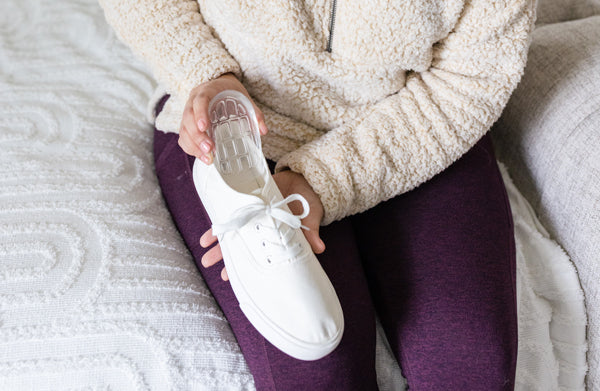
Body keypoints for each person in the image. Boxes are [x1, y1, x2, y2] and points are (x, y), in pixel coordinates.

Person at [99, 0, 536, 389]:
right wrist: (206, 74)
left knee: (470, 370)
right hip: (239, 127)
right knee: (320, 373)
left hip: (415, 127)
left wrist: (325, 180)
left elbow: (471, 81)